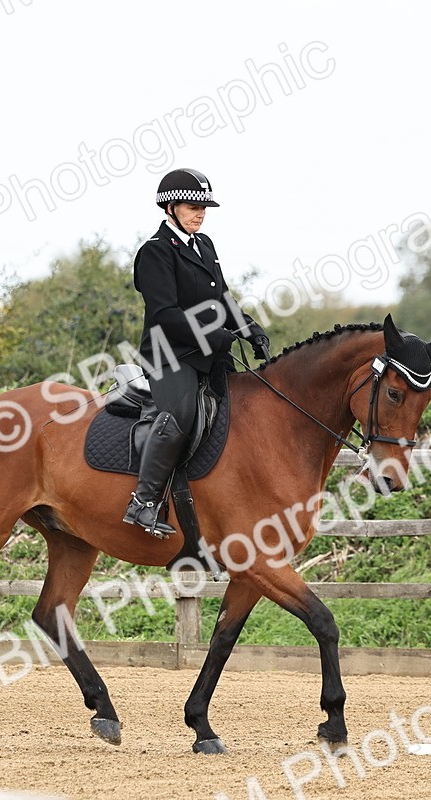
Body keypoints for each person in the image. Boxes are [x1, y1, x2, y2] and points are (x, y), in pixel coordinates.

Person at [123, 168, 270, 537]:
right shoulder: (155, 252)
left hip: (210, 353)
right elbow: (165, 315)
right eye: (193, 206)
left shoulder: (204, 245)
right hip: (170, 355)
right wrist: (215, 335)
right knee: (182, 414)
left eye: (204, 207)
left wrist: (246, 326)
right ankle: (143, 502)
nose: (200, 213)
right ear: (171, 207)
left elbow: (221, 298)